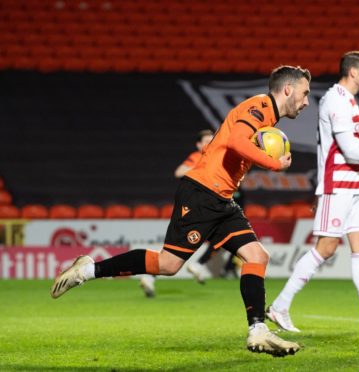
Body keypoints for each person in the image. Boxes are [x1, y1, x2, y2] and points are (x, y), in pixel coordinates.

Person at [51, 65, 312, 357]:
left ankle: (257, 331)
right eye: (304, 93)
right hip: (202, 192)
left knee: (256, 256)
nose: (306, 101)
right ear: (287, 89)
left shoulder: (266, 118)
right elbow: (235, 141)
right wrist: (274, 164)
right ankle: (87, 270)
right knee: (168, 264)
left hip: (221, 198)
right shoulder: (259, 107)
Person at [267, 51, 359, 335]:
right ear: (353, 72)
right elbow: (349, 150)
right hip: (337, 185)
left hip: (356, 184)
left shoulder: (349, 100)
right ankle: (280, 306)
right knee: (326, 248)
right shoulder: (335, 99)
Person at [139, 129, 233, 297]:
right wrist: (200, 168)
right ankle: (155, 274)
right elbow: (179, 171)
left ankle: (194, 266)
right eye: (205, 141)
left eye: (211, 141)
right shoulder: (198, 157)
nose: (208, 144)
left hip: (206, 208)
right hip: (194, 206)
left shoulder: (216, 157)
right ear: (198, 145)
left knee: (221, 237)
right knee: (178, 251)